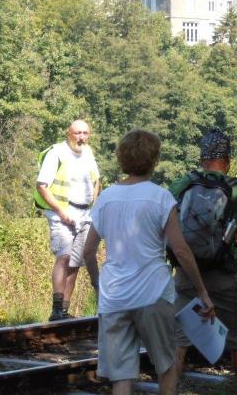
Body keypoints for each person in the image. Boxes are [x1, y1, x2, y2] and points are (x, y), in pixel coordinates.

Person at [83, 129, 214, 395]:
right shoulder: (160, 197)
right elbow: (181, 250)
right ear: (154, 160)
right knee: (165, 366)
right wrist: (202, 292)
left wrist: (99, 287)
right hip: (153, 294)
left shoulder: (106, 198)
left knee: (121, 377)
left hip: (115, 296)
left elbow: (88, 251)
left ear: (122, 159)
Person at [169, 128, 237, 395]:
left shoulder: (182, 184)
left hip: (186, 273)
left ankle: (169, 390)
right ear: (227, 160)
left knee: (180, 339)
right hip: (223, 275)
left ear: (202, 158)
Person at [36, 119, 100, 321]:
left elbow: (96, 181)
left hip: (85, 214)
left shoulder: (88, 153)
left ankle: (64, 310)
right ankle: (55, 308)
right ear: (68, 133)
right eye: (77, 133)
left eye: (85, 133)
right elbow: (42, 185)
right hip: (61, 212)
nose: (81, 137)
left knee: (75, 263)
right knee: (63, 256)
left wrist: (94, 209)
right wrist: (60, 211)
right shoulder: (57, 153)